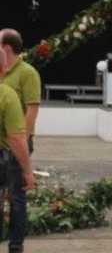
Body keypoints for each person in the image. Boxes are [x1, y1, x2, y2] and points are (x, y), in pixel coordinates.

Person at [0, 48, 35, 253]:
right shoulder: (7, 95)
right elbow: (16, 138)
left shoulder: (27, 74)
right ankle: (15, 247)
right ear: (3, 68)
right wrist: (28, 171)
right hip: (4, 159)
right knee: (16, 199)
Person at [0, 29, 41, 155]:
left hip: (14, 144)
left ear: (6, 48)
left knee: (14, 175)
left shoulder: (28, 73)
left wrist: (20, 142)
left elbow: (32, 110)